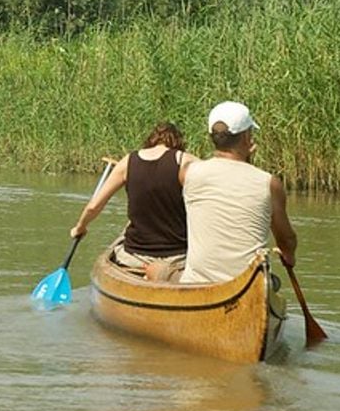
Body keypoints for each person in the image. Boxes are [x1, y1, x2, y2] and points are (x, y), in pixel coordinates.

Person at [178, 101, 298, 284]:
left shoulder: (188, 173)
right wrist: (288, 255)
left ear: (212, 137)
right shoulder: (269, 183)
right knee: (275, 283)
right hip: (249, 285)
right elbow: (287, 241)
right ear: (246, 137)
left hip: (197, 284)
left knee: (160, 271)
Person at [69, 122, 198, 283]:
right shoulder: (186, 161)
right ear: (178, 143)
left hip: (134, 257)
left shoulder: (128, 161)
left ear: (151, 140)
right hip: (177, 258)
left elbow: (93, 206)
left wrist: (80, 227)